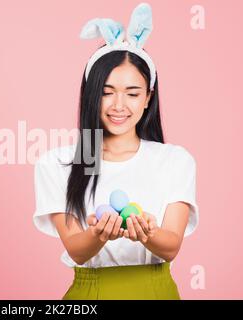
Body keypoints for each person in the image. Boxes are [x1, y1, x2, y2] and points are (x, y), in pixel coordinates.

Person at [33, 3, 199, 300]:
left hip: (156, 291)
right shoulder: (57, 164)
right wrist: (98, 234)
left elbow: (171, 245)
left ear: (148, 97)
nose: (119, 105)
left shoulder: (175, 161)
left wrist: (148, 233)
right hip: (90, 294)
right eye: (107, 92)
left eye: (133, 93)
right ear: (90, 95)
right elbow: (76, 250)